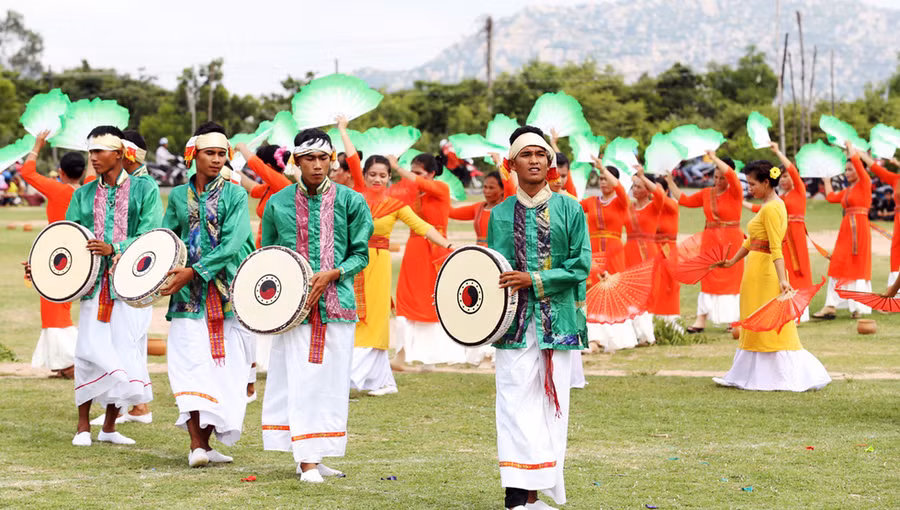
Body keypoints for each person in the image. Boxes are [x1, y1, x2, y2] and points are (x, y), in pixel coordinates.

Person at [260, 128, 373, 483]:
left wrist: (335, 273)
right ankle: (306, 459)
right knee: (302, 380)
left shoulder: (351, 201)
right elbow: (268, 256)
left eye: (324, 158)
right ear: (296, 161)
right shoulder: (277, 203)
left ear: (332, 160)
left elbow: (361, 254)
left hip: (338, 306)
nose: (318, 165)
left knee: (332, 383)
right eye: (309, 158)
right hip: (294, 310)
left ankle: (317, 454)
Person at [488, 126, 590, 510]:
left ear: (550, 163)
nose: (534, 160)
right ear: (510, 164)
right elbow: (492, 270)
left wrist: (533, 279)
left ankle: (534, 495)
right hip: (512, 326)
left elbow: (580, 266)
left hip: (557, 324)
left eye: (540, 154)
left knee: (551, 408)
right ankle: (517, 497)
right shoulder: (499, 214)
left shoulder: (570, 209)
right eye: (525, 155)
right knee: (513, 403)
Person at [159, 122, 252, 467]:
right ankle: (196, 446)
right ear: (193, 156)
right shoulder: (177, 197)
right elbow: (166, 237)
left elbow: (233, 243)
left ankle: (207, 445)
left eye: (221, 154)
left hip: (227, 293)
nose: (216, 160)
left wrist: (194, 271)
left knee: (225, 371)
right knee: (191, 367)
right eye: (209, 153)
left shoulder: (235, 194)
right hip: (187, 298)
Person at [64, 125, 162, 446]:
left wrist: (115, 248)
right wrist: (47, 265)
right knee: (87, 352)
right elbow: (68, 236)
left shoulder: (144, 189)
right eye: (90, 151)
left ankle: (108, 427)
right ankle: (82, 427)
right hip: (93, 286)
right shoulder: (82, 194)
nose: (93, 158)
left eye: (99, 151)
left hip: (129, 286)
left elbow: (150, 234)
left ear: (119, 154)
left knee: (123, 350)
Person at [712, 161, 831, 391]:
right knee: (752, 317)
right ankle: (745, 374)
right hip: (755, 270)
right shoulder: (768, 206)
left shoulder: (773, 208)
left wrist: (782, 280)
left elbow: (776, 246)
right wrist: (732, 261)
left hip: (767, 272)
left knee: (769, 321)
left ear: (766, 182)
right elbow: (751, 240)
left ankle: (778, 376)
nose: (749, 188)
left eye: (753, 184)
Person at [351, 154, 452, 395]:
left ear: (389, 177)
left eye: (382, 175)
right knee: (353, 314)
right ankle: (383, 381)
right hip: (353, 263)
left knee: (374, 317)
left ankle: (351, 376)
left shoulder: (396, 205)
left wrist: (447, 245)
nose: (377, 179)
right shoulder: (352, 201)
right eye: (372, 174)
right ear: (364, 175)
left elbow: (422, 227)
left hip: (379, 264)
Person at [392, 151, 467, 367]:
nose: (413, 176)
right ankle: (402, 354)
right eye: (412, 172)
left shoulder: (441, 188)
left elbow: (420, 184)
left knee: (433, 303)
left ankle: (431, 359)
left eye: (419, 173)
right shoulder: (414, 194)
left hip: (435, 250)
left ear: (432, 173)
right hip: (414, 249)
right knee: (406, 301)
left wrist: (397, 167)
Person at [20, 131, 82, 378]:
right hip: (79, 257)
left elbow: (27, 172)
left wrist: (37, 145)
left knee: (53, 310)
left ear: (61, 172)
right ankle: (65, 363)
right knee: (60, 308)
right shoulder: (88, 189)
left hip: (56, 257)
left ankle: (71, 361)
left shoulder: (58, 190)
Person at [665, 152, 744, 332]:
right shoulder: (707, 193)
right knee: (707, 279)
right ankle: (700, 320)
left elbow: (731, 175)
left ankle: (733, 320)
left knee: (731, 281)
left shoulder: (735, 191)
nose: (718, 181)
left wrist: (715, 158)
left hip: (731, 241)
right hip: (710, 240)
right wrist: (670, 182)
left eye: (722, 178)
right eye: (715, 177)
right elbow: (684, 200)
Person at [742, 143, 813, 321]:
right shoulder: (780, 198)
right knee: (783, 268)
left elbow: (793, 171)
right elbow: (762, 210)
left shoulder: (799, 191)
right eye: (781, 177)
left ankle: (801, 311)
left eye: (786, 176)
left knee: (800, 270)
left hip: (796, 236)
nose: (783, 180)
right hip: (782, 237)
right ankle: (789, 308)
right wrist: (742, 203)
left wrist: (778, 152)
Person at [581, 162, 638, 352]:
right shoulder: (591, 201)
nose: (603, 182)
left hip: (614, 251)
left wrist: (602, 168)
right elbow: (572, 205)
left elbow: (620, 189)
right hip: (594, 251)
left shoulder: (621, 201)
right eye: (601, 179)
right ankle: (595, 337)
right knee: (594, 291)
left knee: (613, 290)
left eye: (606, 179)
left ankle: (617, 338)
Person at [814, 143, 872, 319]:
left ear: (859, 170)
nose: (847, 173)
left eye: (850, 169)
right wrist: (826, 180)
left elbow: (859, 164)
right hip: (846, 230)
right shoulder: (848, 190)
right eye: (845, 170)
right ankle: (830, 306)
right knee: (837, 264)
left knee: (856, 266)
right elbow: (831, 197)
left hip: (859, 230)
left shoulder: (865, 183)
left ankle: (858, 307)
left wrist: (850, 148)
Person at [625, 167, 664, 345]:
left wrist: (642, 176)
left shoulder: (654, 206)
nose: (635, 189)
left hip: (648, 252)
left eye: (639, 186)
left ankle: (647, 335)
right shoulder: (628, 207)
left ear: (647, 189)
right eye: (633, 186)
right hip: (629, 251)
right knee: (630, 291)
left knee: (646, 292)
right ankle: (634, 334)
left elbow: (660, 194)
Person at [864, 154, 899, 288]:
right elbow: (876, 168)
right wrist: (859, 153)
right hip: (898, 219)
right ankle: (894, 289)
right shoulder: (896, 179)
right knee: (896, 251)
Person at [652, 175, 681, 327]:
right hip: (653, 250)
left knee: (669, 286)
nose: (654, 192)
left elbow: (662, 199)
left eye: (657, 189)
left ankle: (670, 322)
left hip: (668, 251)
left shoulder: (672, 205)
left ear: (666, 191)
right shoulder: (650, 208)